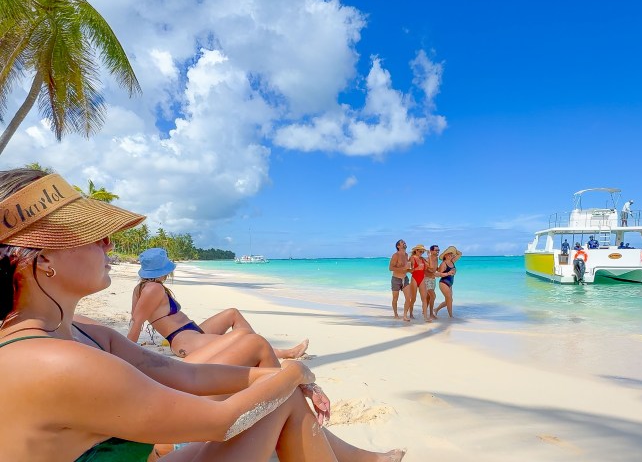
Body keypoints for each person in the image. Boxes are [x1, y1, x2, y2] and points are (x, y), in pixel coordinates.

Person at [0, 168, 405, 462]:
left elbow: (187, 375)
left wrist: (278, 378)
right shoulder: (59, 362)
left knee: (278, 394)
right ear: (43, 257)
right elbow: (221, 421)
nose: (107, 241)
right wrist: (295, 374)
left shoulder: (80, 333)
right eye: (87, 232)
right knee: (277, 399)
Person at [128, 247, 308, 366]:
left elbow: (134, 317)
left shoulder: (143, 288)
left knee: (232, 313)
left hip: (192, 332)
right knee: (242, 340)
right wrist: (125, 355)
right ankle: (284, 353)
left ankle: (259, 350)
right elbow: (136, 321)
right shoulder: (153, 289)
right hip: (185, 341)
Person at [434, 246, 462, 318]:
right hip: (444, 283)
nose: (450, 255)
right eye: (448, 253)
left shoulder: (452, 261)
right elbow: (438, 274)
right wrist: (448, 273)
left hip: (450, 284)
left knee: (449, 300)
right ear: (445, 255)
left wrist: (454, 250)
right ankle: (451, 316)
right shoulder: (443, 264)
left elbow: (460, 254)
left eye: (451, 254)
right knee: (449, 299)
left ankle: (436, 309)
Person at [388, 239, 412, 320]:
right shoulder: (395, 255)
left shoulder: (406, 255)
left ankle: (405, 315)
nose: (404, 243)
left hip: (405, 279)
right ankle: (395, 314)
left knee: (408, 298)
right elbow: (391, 268)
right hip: (396, 279)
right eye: (402, 243)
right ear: (398, 246)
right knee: (395, 298)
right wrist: (403, 268)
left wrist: (411, 270)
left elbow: (406, 268)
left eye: (405, 242)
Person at [408, 244, 431, 323]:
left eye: (423, 251)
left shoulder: (423, 259)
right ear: (416, 251)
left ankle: (425, 317)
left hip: (422, 279)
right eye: (420, 251)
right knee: (413, 298)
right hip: (414, 278)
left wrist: (429, 255)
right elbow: (408, 270)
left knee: (424, 298)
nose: (421, 252)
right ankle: (410, 314)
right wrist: (415, 268)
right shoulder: (412, 258)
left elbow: (430, 267)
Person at [424, 245, 441, 319]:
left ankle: (424, 311)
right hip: (427, 280)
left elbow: (435, 268)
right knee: (433, 296)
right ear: (431, 251)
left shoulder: (437, 259)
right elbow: (427, 270)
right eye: (436, 250)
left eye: (438, 250)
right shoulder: (427, 259)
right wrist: (434, 273)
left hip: (433, 280)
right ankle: (431, 314)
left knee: (428, 297)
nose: (437, 251)